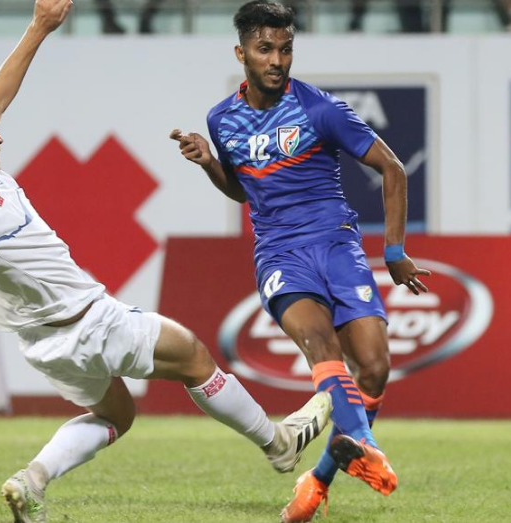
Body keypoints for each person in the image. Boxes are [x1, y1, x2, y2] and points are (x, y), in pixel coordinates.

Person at [0, 1, 331, 521]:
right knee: (193, 357)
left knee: (116, 413)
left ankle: (31, 480)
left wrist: (40, 26)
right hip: (86, 321)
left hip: (43, 344)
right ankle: (277, 444)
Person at [170, 1, 431, 521]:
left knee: (375, 369)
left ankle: (317, 483)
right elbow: (244, 192)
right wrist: (210, 164)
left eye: (286, 49)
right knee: (320, 344)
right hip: (280, 253)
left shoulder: (321, 109)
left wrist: (395, 251)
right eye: (266, 49)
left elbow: (393, 168)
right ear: (241, 52)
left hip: (337, 245)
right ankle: (365, 447)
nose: (277, 60)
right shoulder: (222, 119)